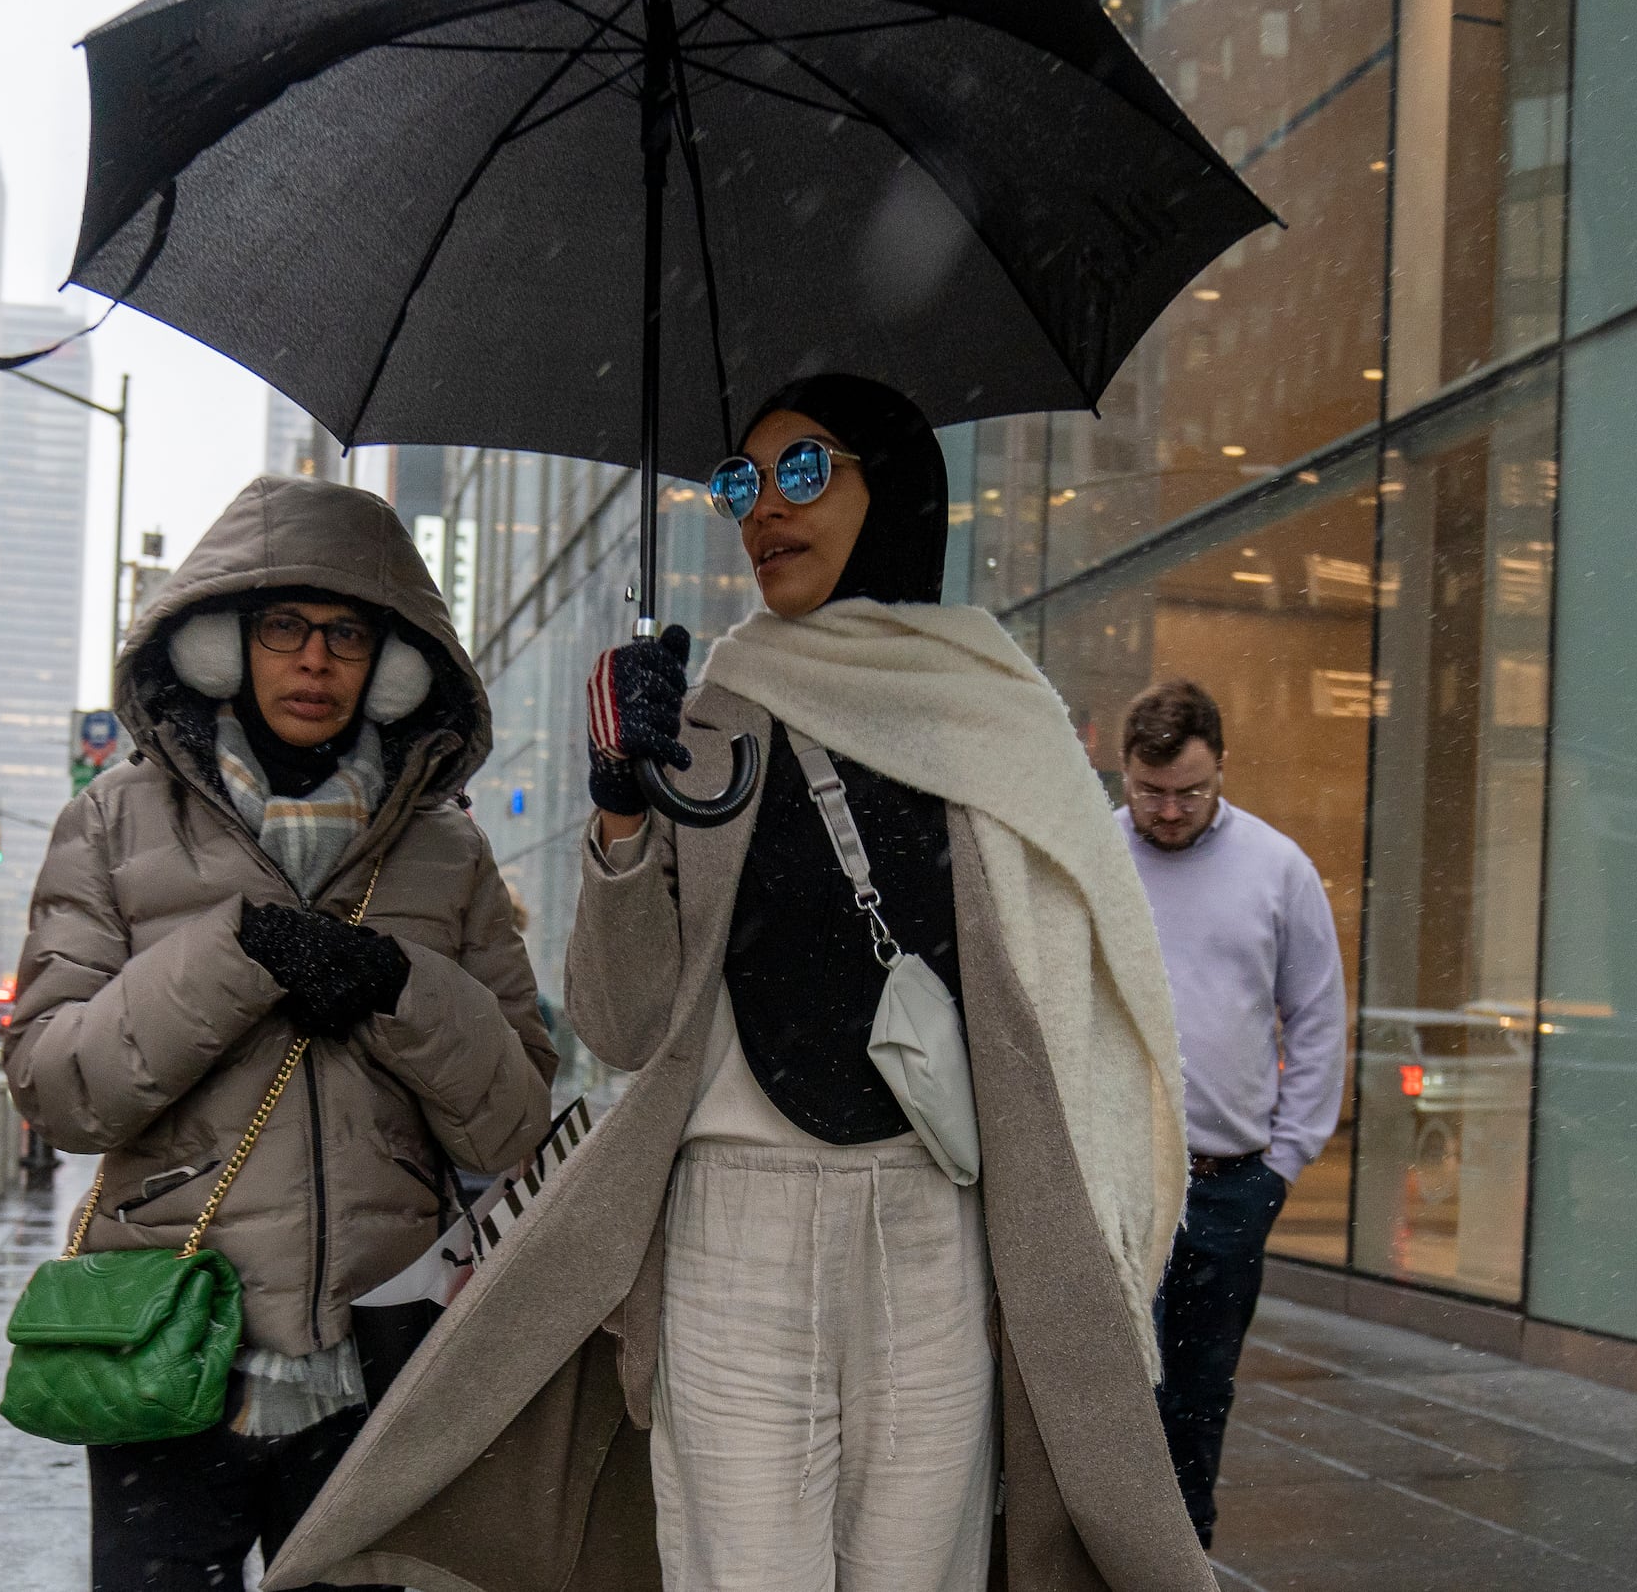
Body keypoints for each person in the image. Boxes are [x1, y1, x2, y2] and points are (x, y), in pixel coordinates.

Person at [266, 377, 1216, 1592]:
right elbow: (618, 1022)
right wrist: (620, 810)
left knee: (915, 1574)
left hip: (936, 1221)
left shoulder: (995, 719)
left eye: (804, 472)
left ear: (899, 493)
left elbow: (1069, 994)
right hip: (734, 1226)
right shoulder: (707, 717)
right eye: (740, 482)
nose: (763, 508)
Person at [5, 474, 558, 1592]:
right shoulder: (109, 824)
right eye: (284, 628)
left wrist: (397, 987)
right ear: (219, 646)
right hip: (165, 1348)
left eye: (348, 633)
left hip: (384, 1360)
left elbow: (514, 1119)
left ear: (396, 666)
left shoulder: (448, 857)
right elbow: (56, 1086)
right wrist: (236, 957)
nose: (315, 660)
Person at [1118, 681, 1347, 1550]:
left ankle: (1181, 1557)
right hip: (1118, 1178)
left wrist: (1285, 1163)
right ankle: (1109, 1553)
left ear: (1222, 771)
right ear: (1126, 772)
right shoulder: (1098, 855)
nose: (1169, 810)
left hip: (1226, 1185)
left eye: (1190, 790)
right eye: (1150, 790)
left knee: (1199, 1392)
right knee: (1107, 1390)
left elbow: (1318, 1014)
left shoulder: (1276, 867)